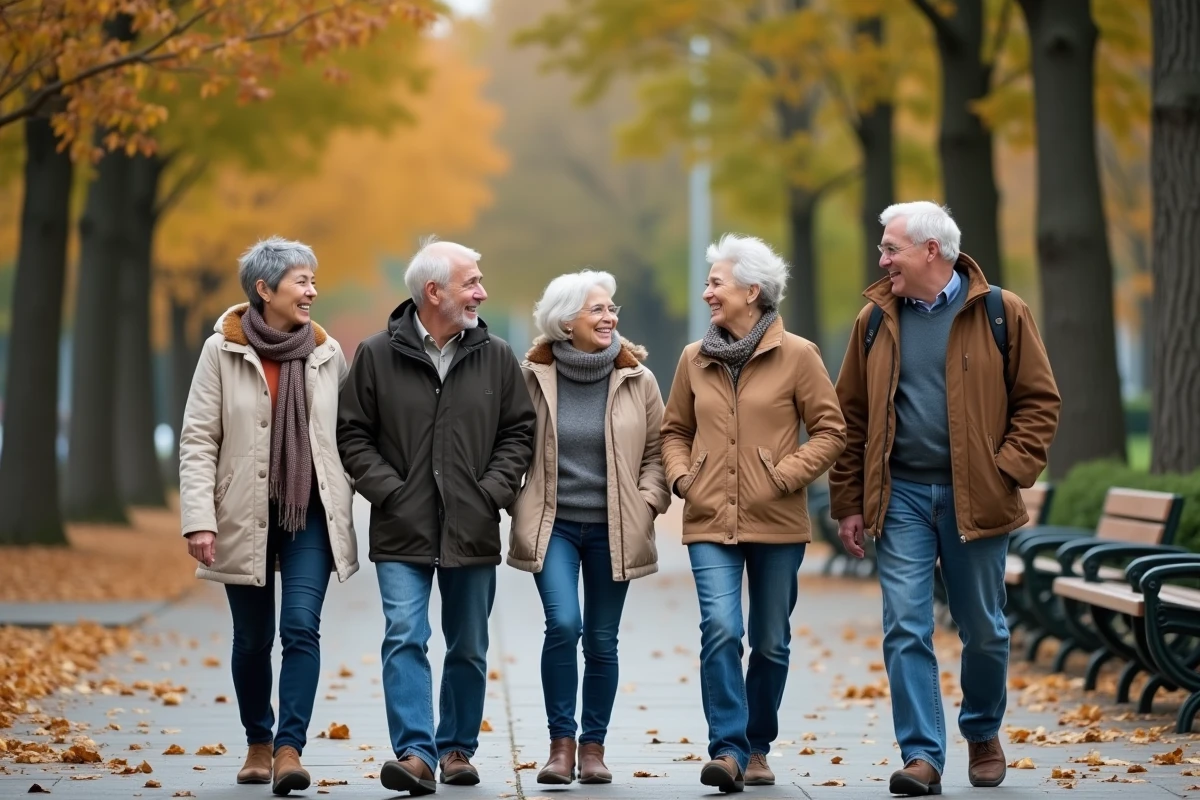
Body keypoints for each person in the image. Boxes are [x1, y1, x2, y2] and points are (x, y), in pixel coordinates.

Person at [829, 202, 1061, 797]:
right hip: (901, 494)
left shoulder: (1000, 313)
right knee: (904, 625)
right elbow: (849, 417)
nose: (881, 261)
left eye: (891, 249)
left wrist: (1003, 470)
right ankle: (922, 756)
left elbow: (1039, 402)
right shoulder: (874, 321)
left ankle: (982, 732)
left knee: (982, 627)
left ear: (931, 250)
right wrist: (849, 501)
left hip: (975, 498)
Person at [336, 237, 536, 796]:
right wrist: (390, 491)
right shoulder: (376, 354)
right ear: (433, 291)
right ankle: (416, 753)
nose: (482, 291)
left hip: (472, 526)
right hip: (402, 525)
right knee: (405, 635)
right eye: (471, 281)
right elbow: (352, 432)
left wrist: (490, 491)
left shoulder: (495, 354)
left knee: (468, 644)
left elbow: (519, 432)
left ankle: (455, 749)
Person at [660, 234, 847, 793]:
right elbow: (675, 430)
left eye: (716, 282)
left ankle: (758, 745)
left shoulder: (799, 356)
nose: (706, 293)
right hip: (710, 519)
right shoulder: (694, 359)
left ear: (753, 290)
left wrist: (785, 474)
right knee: (720, 629)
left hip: (778, 522)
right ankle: (728, 749)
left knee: (770, 640)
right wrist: (682, 479)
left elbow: (833, 430)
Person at [179, 236, 358, 796]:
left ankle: (289, 748)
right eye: (302, 280)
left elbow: (351, 436)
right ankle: (258, 740)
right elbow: (198, 439)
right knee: (253, 638)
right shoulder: (222, 351)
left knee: (300, 627)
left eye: (312, 280)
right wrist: (198, 518)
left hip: (309, 513)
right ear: (264, 289)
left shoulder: (329, 355)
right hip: (241, 513)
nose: (312, 290)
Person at [507, 270, 671, 786]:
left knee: (601, 640)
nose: (610, 317)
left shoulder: (637, 378)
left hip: (614, 527)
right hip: (553, 524)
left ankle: (593, 748)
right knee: (564, 625)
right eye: (597, 309)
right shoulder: (530, 376)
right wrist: (516, 498)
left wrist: (646, 503)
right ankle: (560, 746)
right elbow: (507, 442)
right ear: (565, 321)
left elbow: (657, 452)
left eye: (612, 308)